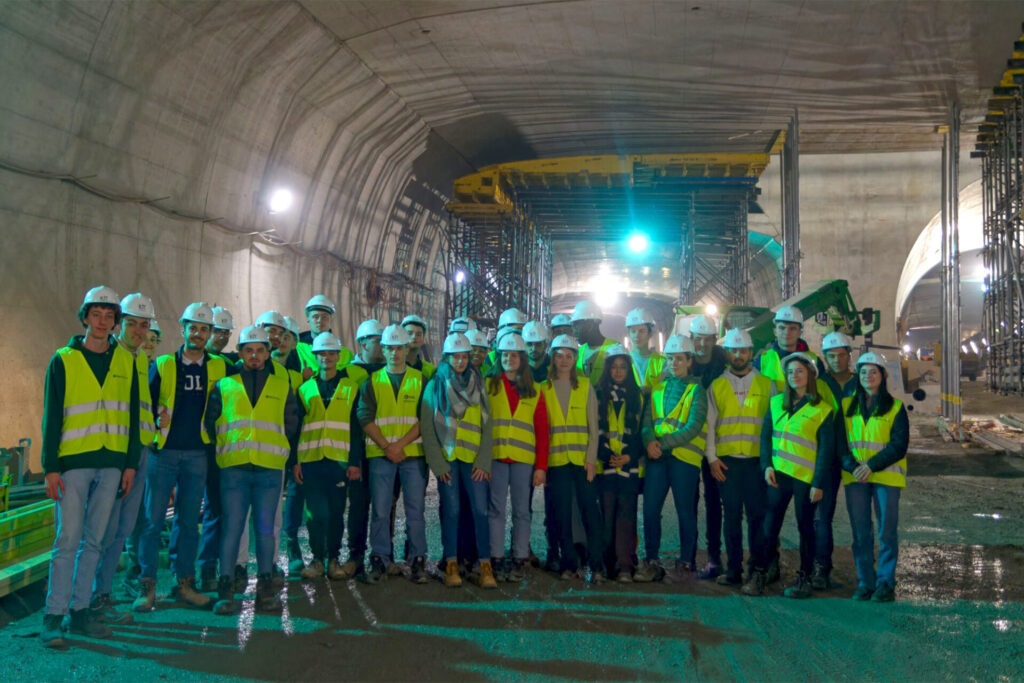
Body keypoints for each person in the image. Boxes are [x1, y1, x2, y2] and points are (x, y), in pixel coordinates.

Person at [40, 286, 141, 649]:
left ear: (115, 322)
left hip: (112, 464)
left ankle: (80, 612)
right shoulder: (63, 359)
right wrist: (50, 468)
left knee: (95, 541)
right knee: (68, 539)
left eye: (109, 316)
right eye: (96, 314)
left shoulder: (126, 362)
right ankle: (54, 616)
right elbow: (51, 417)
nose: (102, 322)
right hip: (72, 465)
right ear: (85, 317)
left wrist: (130, 465)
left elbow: (132, 416)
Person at [136, 302, 226, 611]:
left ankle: (184, 583)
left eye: (204, 329)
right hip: (164, 452)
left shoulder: (220, 367)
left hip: (197, 453)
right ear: (183, 329)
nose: (198, 334)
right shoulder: (163, 365)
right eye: (193, 327)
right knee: (152, 521)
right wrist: (153, 420)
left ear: (209, 334)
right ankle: (146, 585)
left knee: (188, 522)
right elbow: (143, 404)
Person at [205, 325, 300, 615]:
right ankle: (226, 589)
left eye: (260, 350)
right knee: (232, 528)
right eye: (249, 350)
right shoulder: (224, 386)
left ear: (268, 353)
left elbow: (292, 426)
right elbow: (211, 424)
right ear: (241, 353)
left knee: (265, 531)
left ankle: (265, 590)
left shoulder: (282, 387)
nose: (255, 355)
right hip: (234, 469)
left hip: (269, 470)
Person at [744, 352, 835, 599]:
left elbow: (826, 451)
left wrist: (818, 483)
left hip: (805, 479)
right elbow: (765, 438)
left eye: (800, 371)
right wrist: (767, 466)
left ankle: (804, 578)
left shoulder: (822, 410)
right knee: (769, 525)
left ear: (810, 375)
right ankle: (760, 572)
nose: (795, 376)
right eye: (791, 372)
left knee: (805, 528)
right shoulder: (776, 404)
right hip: (778, 476)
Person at [91, 293, 156, 625]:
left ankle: (103, 594)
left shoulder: (140, 360)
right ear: (119, 325)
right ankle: (92, 595)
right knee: (105, 528)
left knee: (124, 527)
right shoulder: (111, 356)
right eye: (131, 323)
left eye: (143, 325)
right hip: (117, 455)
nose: (138, 331)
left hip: (140, 451)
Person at [421, 333, 498, 589]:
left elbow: (488, 425)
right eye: (456, 356)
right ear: (447, 358)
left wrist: (484, 460)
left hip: (474, 459)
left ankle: (485, 564)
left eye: (465, 356)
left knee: (480, 510)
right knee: (452, 510)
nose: (461, 361)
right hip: (449, 458)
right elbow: (428, 429)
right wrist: (438, 465)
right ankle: (452, 562)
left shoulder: (480, 384)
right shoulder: (435, 386)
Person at [360, 324, 429, 584]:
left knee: (415, 510)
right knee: (380, 509)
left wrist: (397, 446)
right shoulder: (373, 381)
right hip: (382, 454)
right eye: (389, 348)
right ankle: (379, 558)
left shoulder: (419, 379)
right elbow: (364, 417)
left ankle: (417, 559)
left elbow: (426, 417)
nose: (394, 353)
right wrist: (388, 447)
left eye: (399, 348)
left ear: (405, 349)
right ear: (384, 350)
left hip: (411, 454)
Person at [635, 334, 707, 583]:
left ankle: (687, 561)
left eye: (679, 359)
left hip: (683, 459)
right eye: (670, 359)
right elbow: (647, 423)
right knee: (651, 508)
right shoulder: (657, 389)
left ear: (689, 361)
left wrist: (660, 444)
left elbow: (693, 426)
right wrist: (648, 441)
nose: (674, 363)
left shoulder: (697, 390)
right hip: (658, 457)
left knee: (685, 511)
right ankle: (651, 559)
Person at [838, 351, 909, 602]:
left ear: (883, 375)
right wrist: (852, 466)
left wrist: (872, 466)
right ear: (858, 376)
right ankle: (865, 582)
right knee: (861, 532)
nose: (869, 376)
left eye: (874, 371)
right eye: (864, 372)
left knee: (886, 532)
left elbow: (899, 445)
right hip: (855, 477)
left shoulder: (896, 407)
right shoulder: (846, 406)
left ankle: (885, 583)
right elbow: (840, 443)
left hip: (886, 478)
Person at [292, 333, 363, 580]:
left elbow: (356, 429)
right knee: (315, 513)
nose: (326, 358)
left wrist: (355, 462)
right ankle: (317, 559)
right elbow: (297, 428)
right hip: (311, 461)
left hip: (339, 461)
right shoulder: (304, 389)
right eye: (322, 353)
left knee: (335, 512)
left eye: (331, 353)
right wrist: (296, 462)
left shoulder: (351, 389)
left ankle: (333, 559)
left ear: (338, 357)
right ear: (315, 356)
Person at [705, 328, 772, 588]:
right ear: (728, 354)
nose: (738, 355)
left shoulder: (768, 385)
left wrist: (771, 462)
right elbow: (710, 425)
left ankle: (756, 568)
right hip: (727, 463)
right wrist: (711, 458)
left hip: (757, 462)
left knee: (757, 517)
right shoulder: (717, 385)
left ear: (751, 353)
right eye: (733, 351)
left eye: (743, 350)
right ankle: (733, 570)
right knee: (731, 517)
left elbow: (774, 427)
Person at [541, 334, 606, 582]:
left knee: (591, 511)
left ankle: (596, 565)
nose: (564, 360)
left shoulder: (586, 386)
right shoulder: (543, 389)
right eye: (559, 355)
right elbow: (542, 431)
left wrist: (591, 460)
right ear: (553, 357)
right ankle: (569, 563)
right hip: (556, 462)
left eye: (569, 355)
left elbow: (593, 428)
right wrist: (543, 467)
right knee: (563, 515)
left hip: (582, 462)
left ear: (575, 358)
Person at [486, 333, 548, 582]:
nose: (509, 359)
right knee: (496, 509)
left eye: (514, 355)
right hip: (496, 457)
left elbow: (543, 432)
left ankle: (521, 556)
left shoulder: (535, 391)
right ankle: (496, 557)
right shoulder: (489, 386)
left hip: (524, 460)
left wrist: (541, 467)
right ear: (499, 357)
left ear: (522, 359)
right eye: (505, 355)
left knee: (523, 510)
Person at [334, 319, 386, 580]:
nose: (383, 345)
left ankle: (382, 556)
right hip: (360, 454)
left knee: (385, 506)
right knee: (358, 506)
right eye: (378, 340)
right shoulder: (348, 374)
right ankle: (356, 556)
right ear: (363, 342)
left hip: (386, 452)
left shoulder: (392, 370)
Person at [811, 330, 859, 589]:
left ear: (849, 356)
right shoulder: (818, 384)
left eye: (842, 355)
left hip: (858, 457)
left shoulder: (861, 382)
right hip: (827, 458)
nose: (837, 360)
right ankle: (821, 567)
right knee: (821, 516)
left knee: (860, 517)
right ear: (825, 358)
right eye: (832, 356)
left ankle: (866, 571)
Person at [594, 344, 644, 582]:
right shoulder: (597, 394)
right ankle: (605, 564)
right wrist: (606, 456)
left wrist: (629, 456)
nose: (618, 371)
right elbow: (594, 429)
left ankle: (625, 565)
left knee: (626, 516)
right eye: (613, 367)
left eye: (622, 367)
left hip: (629, 465)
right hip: (606, 465)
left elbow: (643, 431)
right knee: (605, 517)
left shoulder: (638, 396)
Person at [688, 314, 727, 580]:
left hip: (717, 442)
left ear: (715, 340)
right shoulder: (684, 361)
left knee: (715, 502)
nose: (702, 344)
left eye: (707, 339)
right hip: (689, 443)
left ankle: (714, 557)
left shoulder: (723, 362)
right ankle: (688, 557)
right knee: (689, 501)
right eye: (697, 339)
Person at [754, 306, 818, 393]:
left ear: (800, 333)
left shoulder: (814, 361)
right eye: (782, 328)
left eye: (792, 328)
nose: (787, 332)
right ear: (775, 331)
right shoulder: (762, 360)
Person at [296, 295, 354, 375]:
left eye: (325, 317)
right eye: (315, 317)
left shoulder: (345, 354)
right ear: (308, 320)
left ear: (331, 320)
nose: (320, 320)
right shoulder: (297, 349)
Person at [571, 300, 618, 386]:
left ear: (590, 324)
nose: (574, 331)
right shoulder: (578, 352)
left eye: (576, 325)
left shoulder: (615, 348)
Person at [625, 307, 665, 391]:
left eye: (641, 331)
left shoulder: (661, 362)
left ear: (650, 334)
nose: (637, 335)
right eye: (633, 331)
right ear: (628, 334)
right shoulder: (623, 360)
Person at [402, 314, 436, 379]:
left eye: (418, 334)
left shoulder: (430, 370)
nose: (414, 337)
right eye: (410, 333)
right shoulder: (394, 367)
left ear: (423, 339)